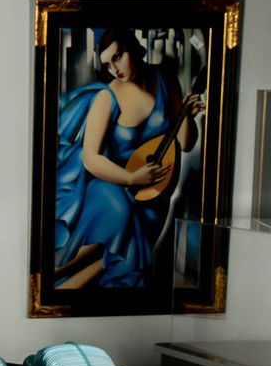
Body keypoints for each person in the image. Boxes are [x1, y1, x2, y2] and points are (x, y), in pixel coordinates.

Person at [52, 27, 205, 291]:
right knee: (123, 235)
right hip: (110, 188)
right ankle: (51, 284)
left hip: (153, 195)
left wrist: (186, 115)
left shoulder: (165, 80)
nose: (114, 68)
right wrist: (131, 177)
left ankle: (56, 289)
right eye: (107, 64)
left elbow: (185, 143)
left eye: (118, 57)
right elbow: (91, 158)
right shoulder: (106, 96)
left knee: (113, 264)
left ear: (135, 49)